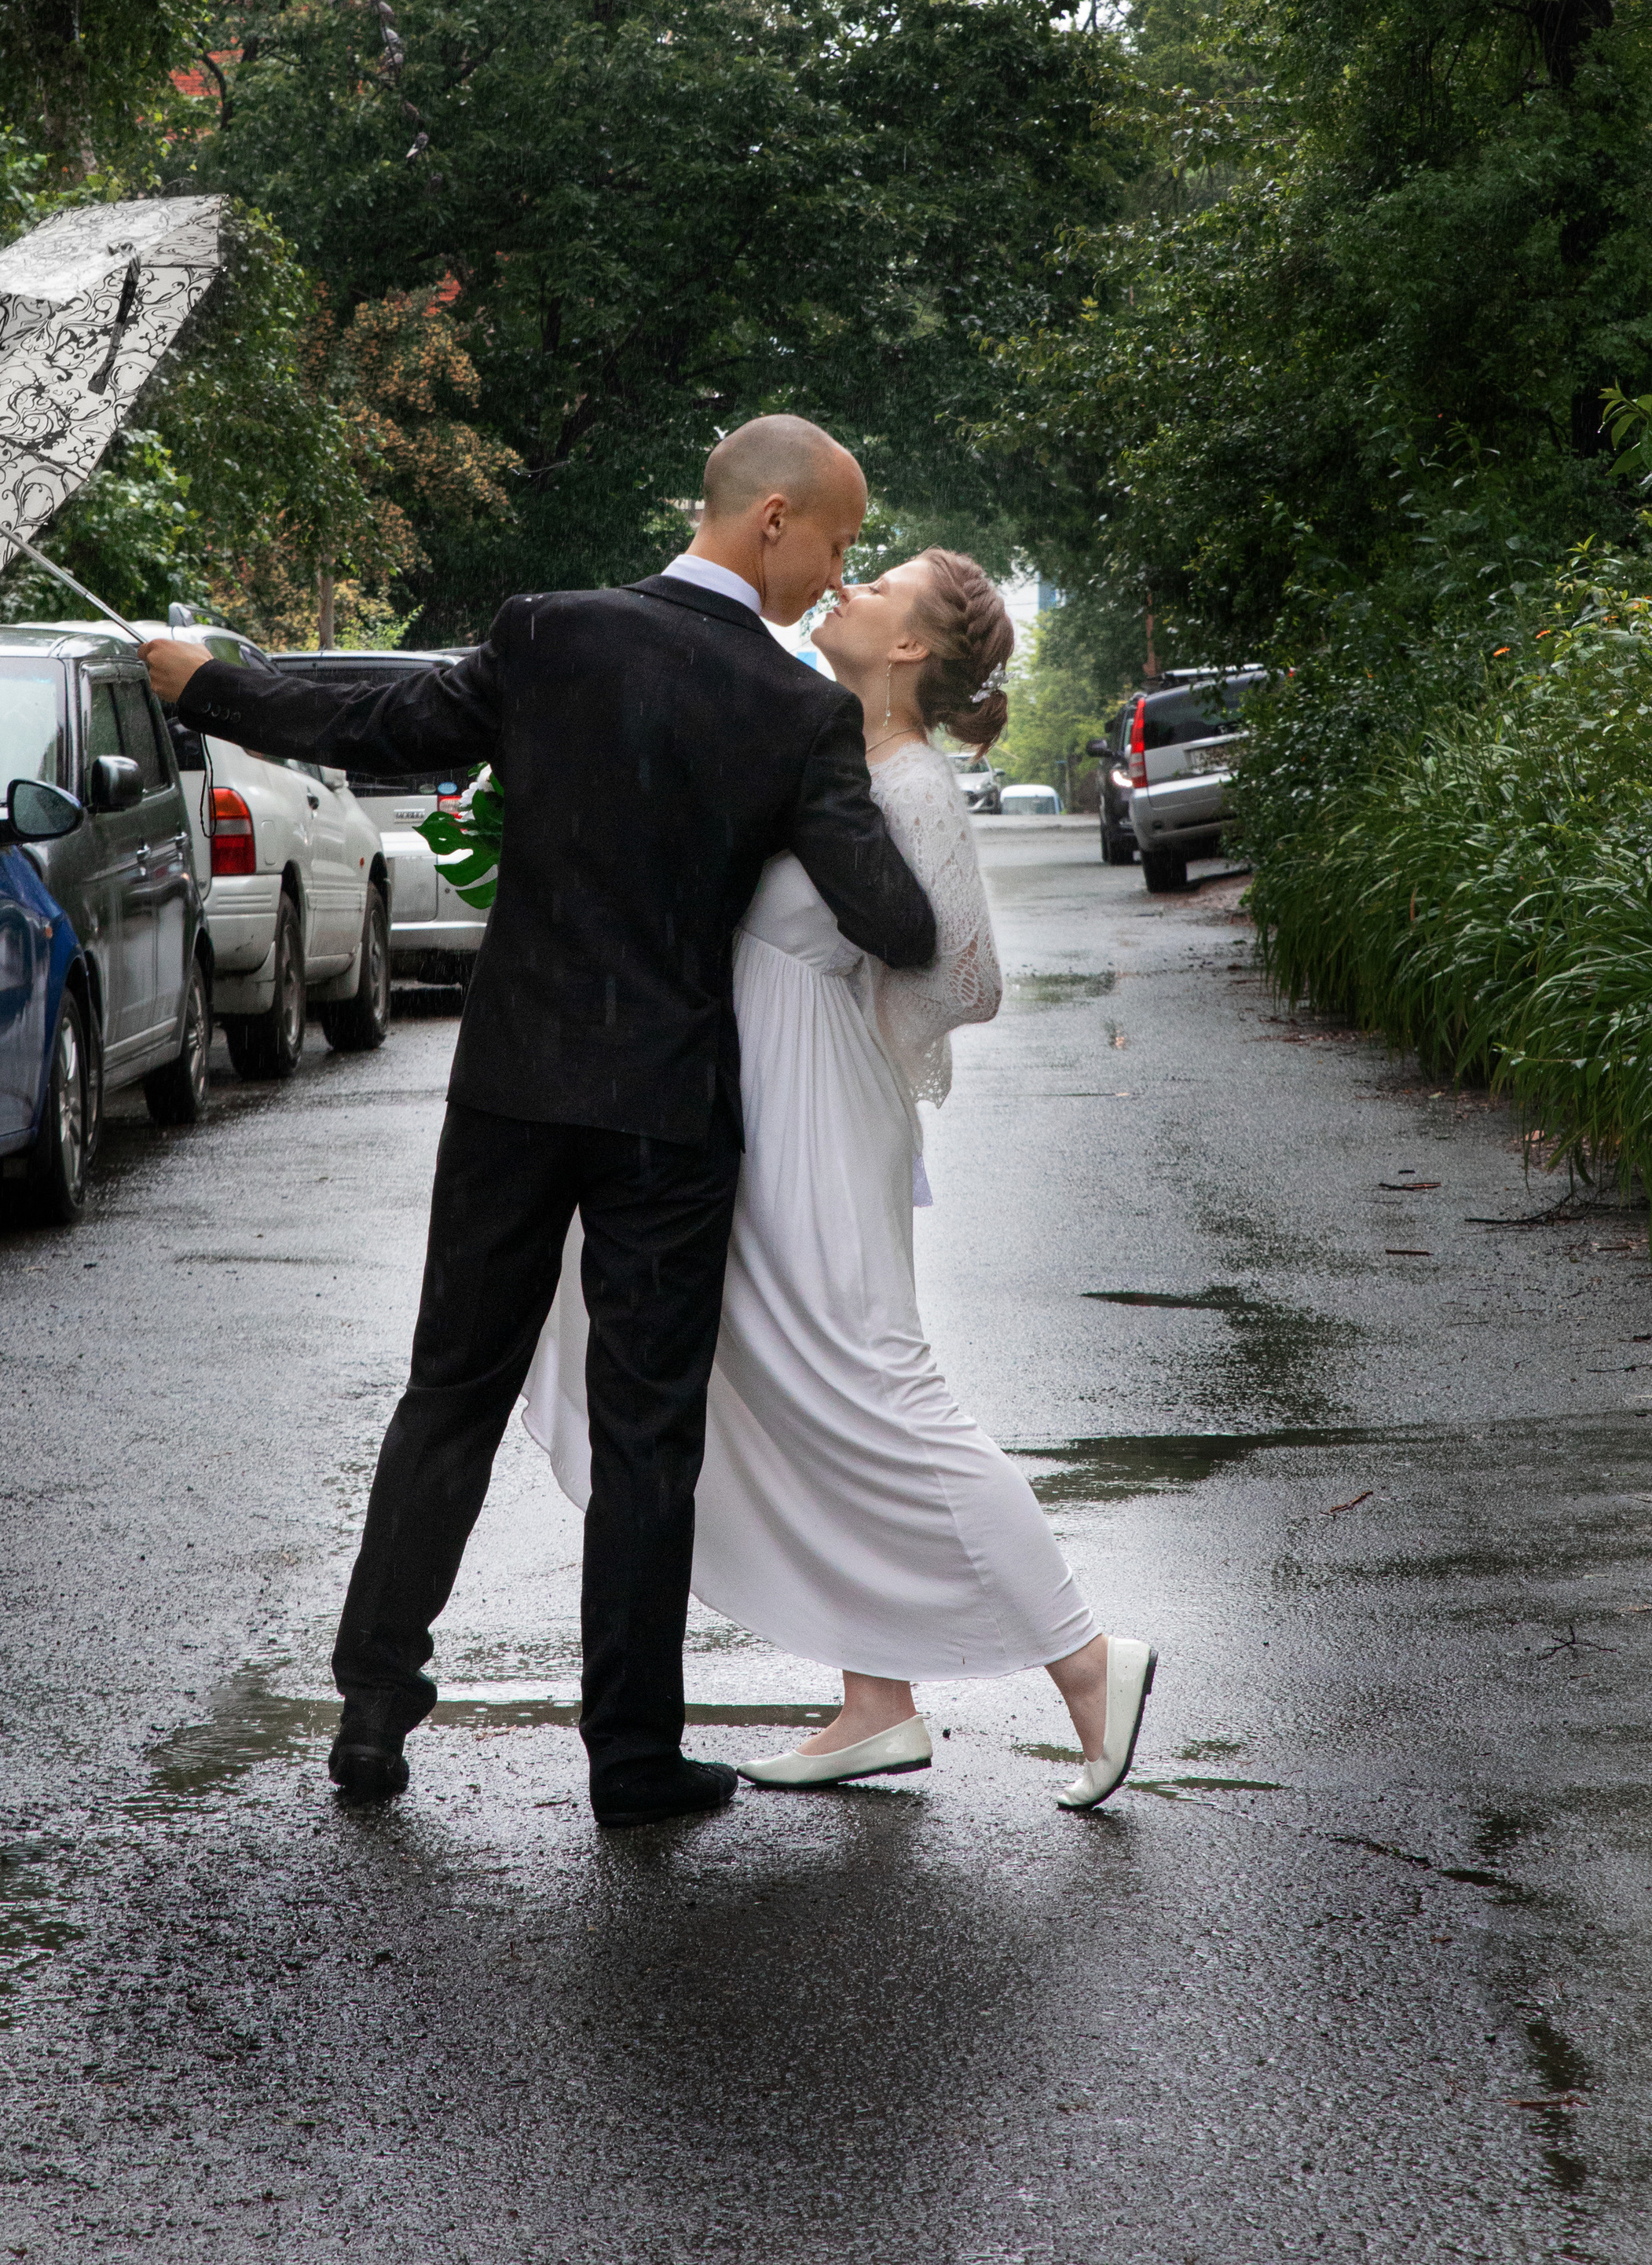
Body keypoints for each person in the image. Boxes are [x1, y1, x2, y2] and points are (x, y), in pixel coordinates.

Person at [141, 414, 937, 1831]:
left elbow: (374, 730)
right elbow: (892, 918)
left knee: (452, 1386)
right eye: (834, 539)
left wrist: (212, 683)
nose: (837, 571)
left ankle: (374, 1713)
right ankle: (632, 1759)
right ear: (769, 522)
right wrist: (880, 752)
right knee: (648, 1434)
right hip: (670, 1111)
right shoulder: (797, 709)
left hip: (513, 1083)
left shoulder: (551, 632)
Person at [523, 548, 1157, 1805]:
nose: (848, 586)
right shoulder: (823, 741)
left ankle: (1089, 1657)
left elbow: (965, 977)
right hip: (759, 1088)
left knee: (870, 1374)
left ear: (913, 648)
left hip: (819, 1096)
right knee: (781, 1375)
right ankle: (878, 1698)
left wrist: (849, 1025)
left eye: (882, 585)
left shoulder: (911, 779)